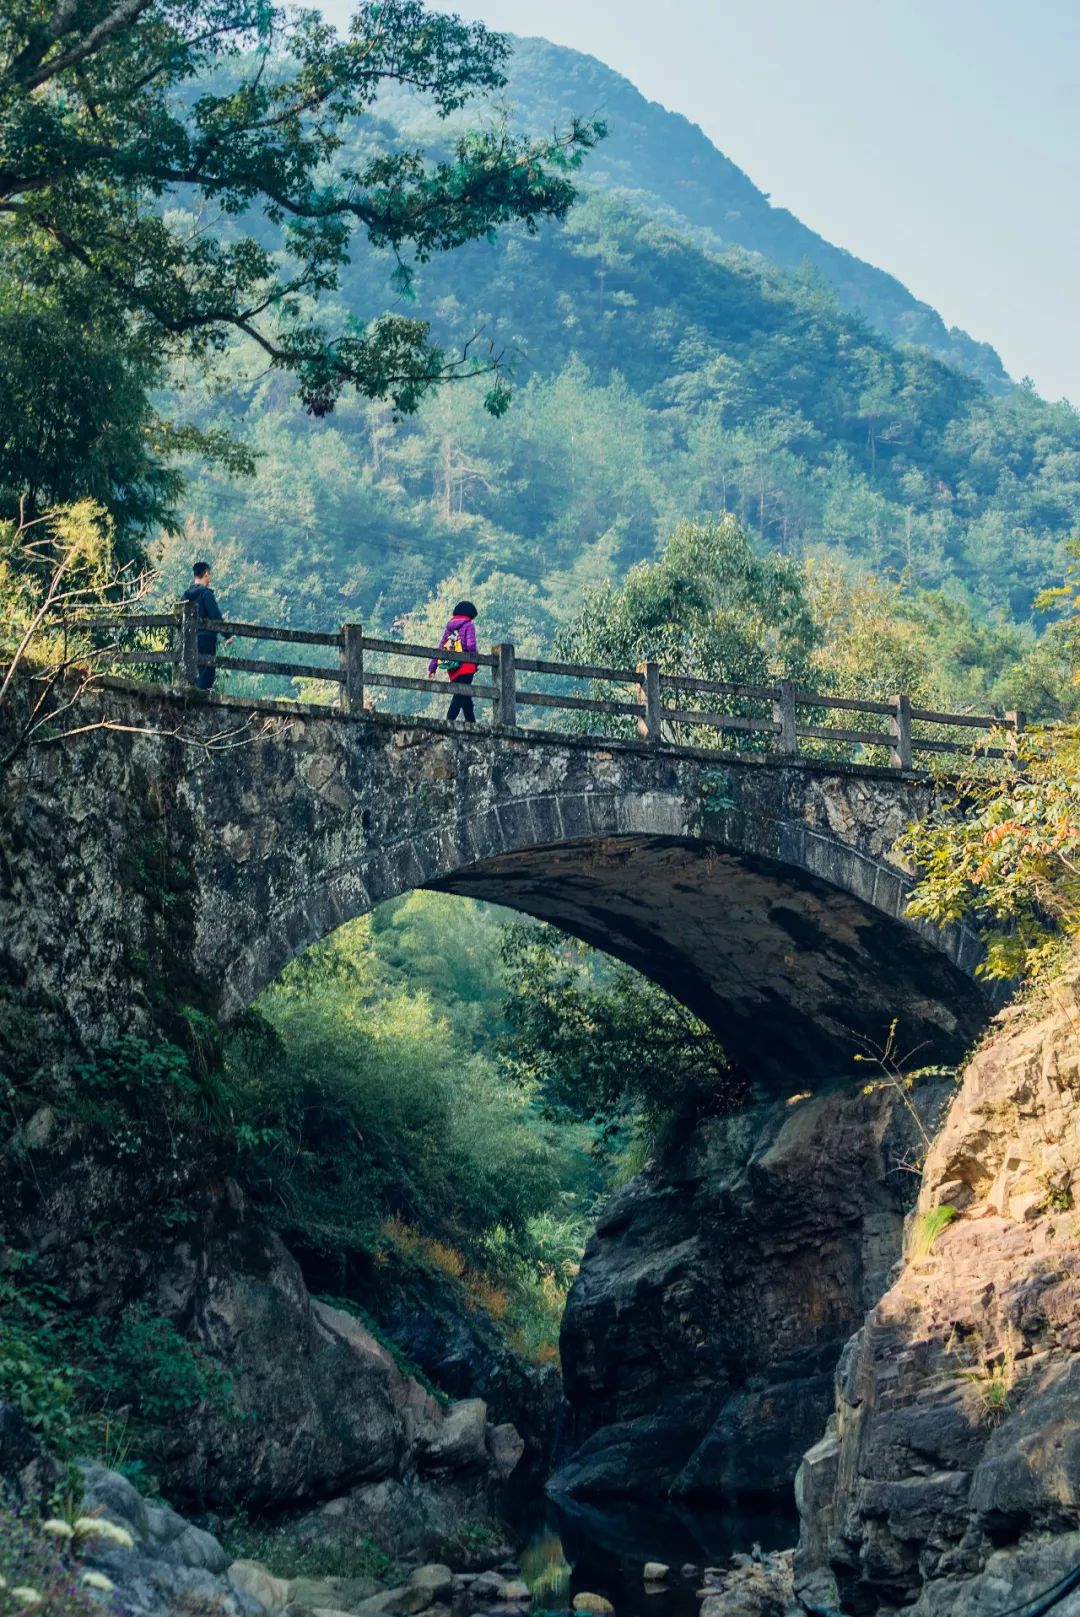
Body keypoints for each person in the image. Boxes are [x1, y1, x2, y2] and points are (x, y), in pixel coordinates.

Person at [181, 561, 231, 690]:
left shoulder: (186, 595)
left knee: (191, 667)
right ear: (206, 574)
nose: (210, 577)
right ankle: (203, 695)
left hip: (189, 638)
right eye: (210, 574)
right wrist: (227, 635)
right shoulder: (206, 594)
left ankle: (190, 692)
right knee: (207, 670)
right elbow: (215, 616)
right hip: (206, 638)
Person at [426, 600, 479, 722]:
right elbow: (471, 647)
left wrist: (432, 668)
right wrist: (477, 660)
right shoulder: (469, 625)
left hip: (453, 668)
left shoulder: (449, 627)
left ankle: (471, 723)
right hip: (466, 667)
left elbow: (440, 648)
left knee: (465, 695)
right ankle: (449, 719)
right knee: (460, 694)